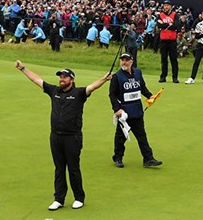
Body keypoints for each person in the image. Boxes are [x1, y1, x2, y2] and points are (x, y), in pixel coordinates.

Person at [13, 62, 110, 210]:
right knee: (59, 168)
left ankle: (79, 198)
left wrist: (104, 79)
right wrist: (23, 69)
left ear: (72, 80)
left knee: (73, 168)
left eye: (65, 77)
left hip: (72, 137)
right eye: (60, 77)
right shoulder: (54, 91)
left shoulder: (78, 93)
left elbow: (93, 87)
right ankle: (59, 199)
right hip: (55, 136)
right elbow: (36, 80)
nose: (61, 79)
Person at [108, 53, 163, 169]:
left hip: (137, 111)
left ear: (131, 62)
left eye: (127, 60)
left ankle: (148, 158)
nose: (124, 62)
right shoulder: (116, 76)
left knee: (142, 136)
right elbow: (112, 95)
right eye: (122, 60)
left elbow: (142, 87)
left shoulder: (138, 73)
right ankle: (118, 157)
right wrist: (117, 109)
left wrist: (150, 96)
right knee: (120, 137)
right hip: (124, 113)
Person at [157, 0, 181, 83]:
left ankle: (175, 77)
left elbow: (176, 26)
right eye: (165, 5)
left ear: (171, 6)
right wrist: (169, 24)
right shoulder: (160, 15)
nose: (166, 7)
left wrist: (165, 25)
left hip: (172, 40)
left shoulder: (175, 15)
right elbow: (159, 25)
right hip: (163, 40)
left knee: (173, 59)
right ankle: (163, 76)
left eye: (167, 5)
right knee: (164, 59)